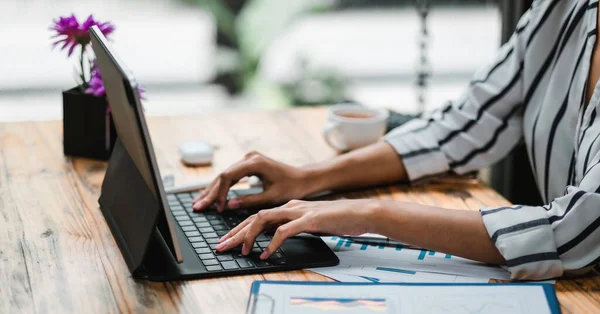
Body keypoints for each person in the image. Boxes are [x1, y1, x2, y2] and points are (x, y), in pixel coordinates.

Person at [192, 0, 600, 280]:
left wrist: (372, 215)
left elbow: (572, 234)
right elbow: (466, 123)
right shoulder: (567, 8)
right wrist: (307, 178)